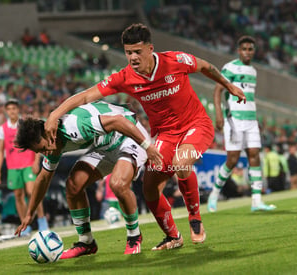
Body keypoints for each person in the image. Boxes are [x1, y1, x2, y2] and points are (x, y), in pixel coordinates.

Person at [44, 23, 245, 250]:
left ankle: (195, 218)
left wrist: (229, 86)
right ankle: (173, 237)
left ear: (150, 49)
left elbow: (207, 67)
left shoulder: (175, 61)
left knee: (181, 162)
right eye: (128, 52)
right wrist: (55, 114)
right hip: (165, 135)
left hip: (196, 125)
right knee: (149, 188)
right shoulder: (125, 77)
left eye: (137, 52)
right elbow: (85, 97)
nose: (133, 57)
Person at [15, 101, 162, 257]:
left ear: (46, 133)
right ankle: (86, 242)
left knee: (118, 184)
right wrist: (30, 213)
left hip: (129, 136)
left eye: (43, 148)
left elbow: (118, 121)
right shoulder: (52, 144)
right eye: (40, 152)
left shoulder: (74, 126)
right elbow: (43, 179)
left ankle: (134, 236)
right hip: (105, 145)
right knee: (73, 185)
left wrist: (147, 146)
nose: (45, 153)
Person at [207, 36, 276, 212]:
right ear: (239, 51)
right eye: (244, 49)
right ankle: (214, 194)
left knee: (254, 155)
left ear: (254, 51)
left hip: (251, 120)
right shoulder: (230, 67)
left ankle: (256, 201)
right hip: (234, 119)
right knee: (232, 160)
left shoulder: (253, 71)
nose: (247, 52)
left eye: (250, 49)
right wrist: (218, 114)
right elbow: (218, 89)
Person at [0, 99, 48, 234]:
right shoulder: (3, 129)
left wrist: (36, 161)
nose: (12, 111)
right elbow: (1, 151)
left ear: (18, 110)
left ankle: (42, 220)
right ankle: (25, 225)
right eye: (9, 109)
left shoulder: (24, 125)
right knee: (18, 195)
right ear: (6, 112)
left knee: (32, 192)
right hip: (13, 166)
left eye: (14, 108)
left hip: (28, 164)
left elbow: (36, 142)